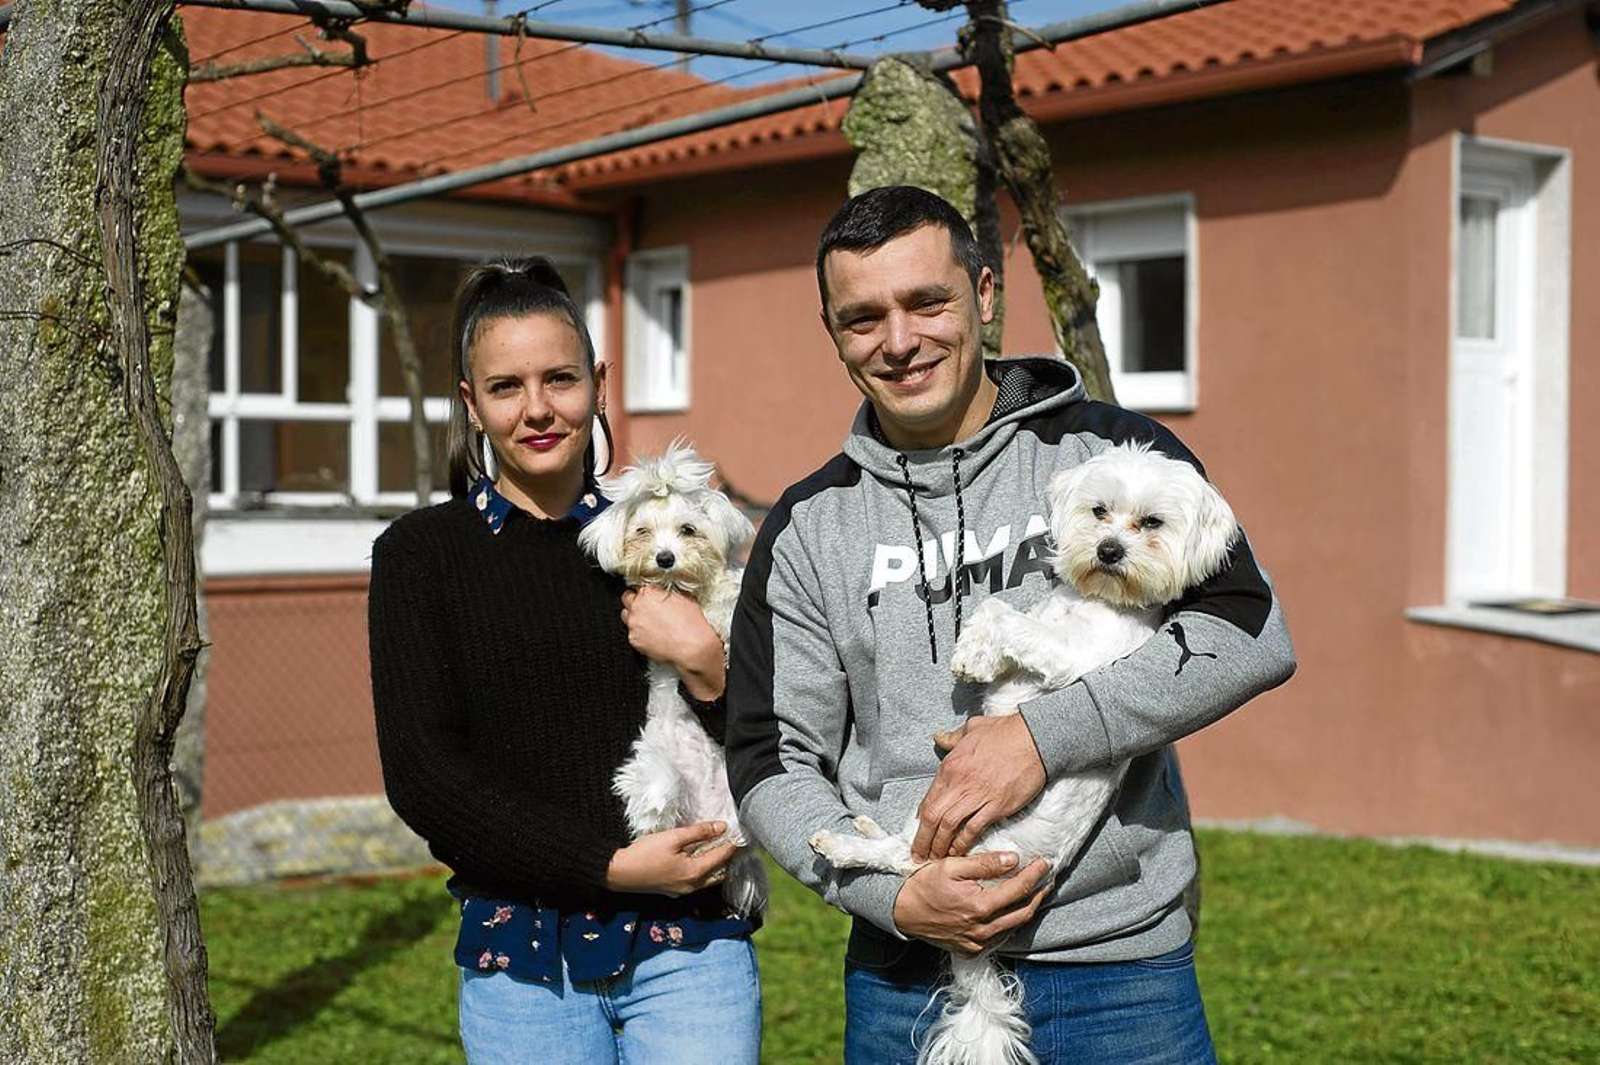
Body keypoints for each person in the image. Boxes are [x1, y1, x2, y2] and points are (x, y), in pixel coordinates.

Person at [725, 186, 1295, 1063]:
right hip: (907, 974)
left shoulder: (1108, 457)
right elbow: (769, 756)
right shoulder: (809, 527)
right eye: (863, 317)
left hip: (1123, 973)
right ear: (833, 331)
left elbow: (1250, 634)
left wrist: (1042, 733)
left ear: (986, 294)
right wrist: (892, 900)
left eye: (928, 301)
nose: (901, 340)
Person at [367, 256, 761, 1065]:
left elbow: (772, 728)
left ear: (601, 384)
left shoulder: (662, 540)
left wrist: (709, 667)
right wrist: (609, 866)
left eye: (560, 378)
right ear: (471, 403)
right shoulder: (422, 557)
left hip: (691, 941)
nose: (538, 409)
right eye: (507, 387)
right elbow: (424, 776)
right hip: (525, 957)